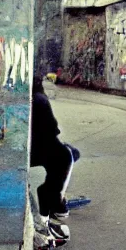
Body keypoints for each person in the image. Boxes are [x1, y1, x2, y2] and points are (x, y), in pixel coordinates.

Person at [31, 76, 78, 224]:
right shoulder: (40, 99)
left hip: (34, 145)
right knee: (67, 156)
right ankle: (52, 202)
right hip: (38, 147)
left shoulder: (33, 98)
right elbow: (51, 128)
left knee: (66, 154)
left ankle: (53, 198)